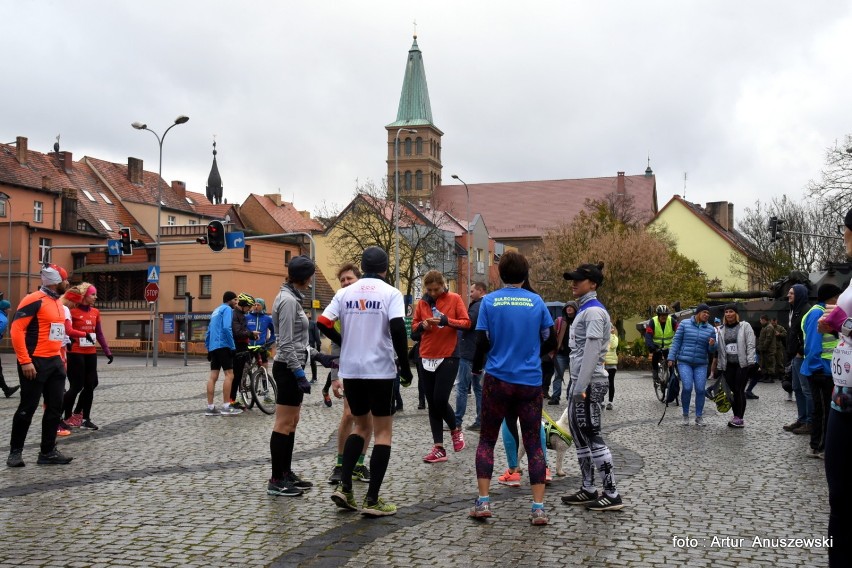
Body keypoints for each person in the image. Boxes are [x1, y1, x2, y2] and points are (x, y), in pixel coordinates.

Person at [318, 246, 412, 516]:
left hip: (352, 370)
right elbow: (396, 328)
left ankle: (345, 488)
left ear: (363, 266)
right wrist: (405, 367)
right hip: (380, 370)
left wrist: (343, 341)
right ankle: (372, 500)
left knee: (360, 428)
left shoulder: (344, 292)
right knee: (382, 433)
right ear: (384, 269)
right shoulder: (390, 293)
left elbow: (322, 323)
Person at [469, 251, 555, 525]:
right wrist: (532, 353)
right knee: (533, 444)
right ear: (525, 273)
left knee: (487, 440)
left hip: (497, 378)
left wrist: (477, 366)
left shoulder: (489, 302)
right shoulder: (537, 301)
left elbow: (481, 340)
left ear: (500, 274)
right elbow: (551, 340)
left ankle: (483, 502)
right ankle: (538, 507)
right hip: (529, 380)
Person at [560, 262, 624, 511]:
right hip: (580, 381)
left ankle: (612, 492)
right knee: (579, 435)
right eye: (572, 279)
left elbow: (592, 351)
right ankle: (588, 488)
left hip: (589, 383)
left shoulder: (594, 312)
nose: (573, 283)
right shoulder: (584, 309)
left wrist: (580, 386)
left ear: (593, 284)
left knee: (592, 434)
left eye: (579, 280)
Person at [6, 264, 74, 467]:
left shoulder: (58, 303)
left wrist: (61, 359)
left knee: (55, 407)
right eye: (65, 279)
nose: (68, 283)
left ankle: (47, 452)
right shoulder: (33, 299)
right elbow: (16, 330)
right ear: (55, 281)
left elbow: (57, 333)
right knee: (28, 407)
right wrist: (25, 361)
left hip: (55, 361)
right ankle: (15, 453)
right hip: (34, 362)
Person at [817, 207, 852, 567]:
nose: (843, 236)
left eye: (845, 231)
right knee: (839, 497)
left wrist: (844, 324)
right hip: (843, 398)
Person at [265, 255, 317, 497]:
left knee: (292, 422)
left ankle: (285, 472)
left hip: (294, 365)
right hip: (287, 368)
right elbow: (285, 343)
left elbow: (297, 341)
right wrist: (298, 372)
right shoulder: (287, 301)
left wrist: (316, 356)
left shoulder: (293, 297)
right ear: (305, 277)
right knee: (283, 423)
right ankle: (276, 479)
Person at [411, 270, 470, 463]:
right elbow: (413, 330)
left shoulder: (454, 298)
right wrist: (422, 327)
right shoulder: (422, 302)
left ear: (443, 285)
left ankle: (455, 429)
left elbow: (466, 323)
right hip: (425, 355)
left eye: (436, 289)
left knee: (440, 399)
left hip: (449, 355)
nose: (433, 293)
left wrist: (446, 321)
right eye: (429, 289)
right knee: (431, 403)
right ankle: (438, 448)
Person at [325, 263, 371, 485]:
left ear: (359, 280)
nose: (345, 283)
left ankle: (360, 463)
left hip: (372, 367)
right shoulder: (340, 304)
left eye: (349, 279)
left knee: (368, 417)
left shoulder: (369, 301)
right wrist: (334, 377)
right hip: (349, 366)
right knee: (349, 415)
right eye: (342, 280)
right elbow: (335, 344)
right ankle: (341, 463)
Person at [62, 283, 113, 431]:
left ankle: (83, 417)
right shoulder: (72, 311)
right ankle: (64, 416)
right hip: (75, 352)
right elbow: (67, 330)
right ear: (84, 296)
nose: (95, 297)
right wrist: (69, 342)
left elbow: (99, 333)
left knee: (91, 384)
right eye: (93, 294)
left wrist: (107, 350)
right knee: (76, 386)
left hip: (90, 352)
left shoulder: (95, 312)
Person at [800, 283, 840, 458]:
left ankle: (817, 445)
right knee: (823, 411)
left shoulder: (823, 311)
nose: (839, 300)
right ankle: (819, 447)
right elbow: (813, 343)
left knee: (821, 409)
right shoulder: (819, 313)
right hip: (821, 370)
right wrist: (816, 368)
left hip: (825, 368)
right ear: (831, 297)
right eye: (837, 296)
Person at [667, 304, 716, 426]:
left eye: (708, 313)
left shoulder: (710, 329)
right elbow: (676, 341)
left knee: (700, 389)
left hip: (701, 363)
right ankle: (685, 415)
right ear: (698, 313)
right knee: (687, 387)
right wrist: (671, 357)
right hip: (684, 362)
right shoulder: (684, 324)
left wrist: (712, 344)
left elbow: (712, 350)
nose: (706, 315)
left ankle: (699, 416)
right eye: (704, 312)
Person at [715, 305, 757, 428]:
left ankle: (740, 417)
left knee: (739, 390)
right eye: (726, 312)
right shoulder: (721, 329)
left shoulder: (745, 326)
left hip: (742, 364)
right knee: (731, 392)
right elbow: (720, 350)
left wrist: (751, 361)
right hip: (728, 365)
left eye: (731, 311)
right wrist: (719, 366)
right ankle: (735, 416)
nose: (728, 314)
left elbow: (750, 344)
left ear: (736, 313)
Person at [204, 291, 241, 416]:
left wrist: (208, 348)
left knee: (213, 376)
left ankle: (210, 407)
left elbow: (208, 331)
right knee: (229, 375)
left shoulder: (215, 311)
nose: (236, 303)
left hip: (214, 347)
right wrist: (232, 346)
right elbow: (226, 328)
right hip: (224, 345)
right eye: (235, 300)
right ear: (229, 300)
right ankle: (226, 406)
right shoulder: (227, 310)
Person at [456, 282, 487, 430]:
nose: (470, 293)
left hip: (469, 352)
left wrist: (454, 323)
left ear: (480, 291)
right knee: (478, 388)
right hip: (479, 354)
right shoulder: (486, 304)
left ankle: (457, 421)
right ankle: (480, 421)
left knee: (462, 388)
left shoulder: (477, 306)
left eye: (472, 291)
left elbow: (467, 324)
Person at [784, 284, 813, 435]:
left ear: (800, 295)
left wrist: (800, 352)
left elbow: (808, 335)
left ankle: (810, 422)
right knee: (797, 388)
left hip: (801, 357)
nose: (788, 295)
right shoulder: (794, 311)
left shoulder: (806, 311)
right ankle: (802, 419)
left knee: (806, 390)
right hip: (794, 356)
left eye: (791, 293)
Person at [230, 293, 260, 409]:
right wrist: (250, 333)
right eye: (249, 307)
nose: (250, 309)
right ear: (243, 305)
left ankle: (234, 397)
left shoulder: (241, 314)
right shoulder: (235, 315)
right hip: (236, 348)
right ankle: (231, 400)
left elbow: (243, 330)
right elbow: (237, 332)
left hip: (243, 346)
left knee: (239, 375)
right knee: (236, 375)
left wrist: (252, 336)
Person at [549, 301, 578, 405]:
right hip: (561, 353)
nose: (569, 309)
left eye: (571, 307)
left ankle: (569, 396)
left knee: (573, 377)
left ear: (575, 309)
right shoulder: (560, 321)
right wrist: (555, 348)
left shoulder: (579, 321)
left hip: (574, 354)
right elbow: (552, 335)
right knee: (558, 376)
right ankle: (555, 397)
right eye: (567, 307)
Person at [645, 305, 678, 383]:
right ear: (658, 315)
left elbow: (679, 331)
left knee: (671, 362)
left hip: (669, 346)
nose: (664, 317)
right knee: (655, 357)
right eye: (662, 315)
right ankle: (655, 372)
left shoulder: (672, 320)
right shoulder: (653, 321)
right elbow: (648, 335)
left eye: (666, 315)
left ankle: (672, 378)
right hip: (657, 346)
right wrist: (651, 346)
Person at [246, 298, 275, 368]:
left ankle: (264, 378)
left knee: (263, 363)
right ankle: (244, 378)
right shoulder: (247, 317)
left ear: (262, 306)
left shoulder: (267, 318)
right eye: (254, 305)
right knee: (246, 365)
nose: (256, 307)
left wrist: (269, 342)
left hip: (262, 347)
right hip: (249, 346)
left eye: (258, 305)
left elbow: (274, 332)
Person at [0, 299, 20, 398]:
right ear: (5, 309)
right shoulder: (3, 319)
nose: (10, 310)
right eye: (9, 308)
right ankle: (6, 389)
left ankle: (6, 389)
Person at [605, 324, 618, 410]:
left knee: (610, 383)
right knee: (601, 383)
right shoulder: (601, 338)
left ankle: (610, 402)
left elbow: (613, 345)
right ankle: (601, 400)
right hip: (602, 363)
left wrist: (611, 335)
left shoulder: (614, 338)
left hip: (611, 363)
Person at [307, 313, 322, 383]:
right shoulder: (300, 323)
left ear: (309, 315)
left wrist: (318, 345)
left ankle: (314, 377)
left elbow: (316, 335)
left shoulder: (313, 324)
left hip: (311, 345)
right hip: (302, 345)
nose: (305, 315)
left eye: (307, 313)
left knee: (312, 362)